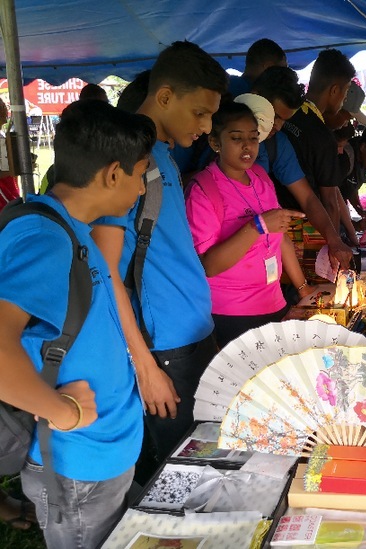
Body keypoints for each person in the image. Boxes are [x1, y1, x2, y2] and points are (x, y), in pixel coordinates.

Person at [0, 99, 154, 548]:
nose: (142, 188)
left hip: (100, 456)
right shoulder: (44, 238)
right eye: (140, 173)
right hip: (76, 467)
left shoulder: (73, 229)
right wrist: (65, 413)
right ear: (113, 174)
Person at [91, 41, 229, 472]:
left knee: (209, 458)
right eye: (200, 113)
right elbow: (105, 271)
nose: (207, 126)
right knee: (184, 474)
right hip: (164, 347)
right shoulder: (126, 162)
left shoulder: (164, 157)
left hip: (193, 334)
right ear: (165, 96)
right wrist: (145, 366)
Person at [185, 99, 307, 347]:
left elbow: (280, 238)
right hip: (232, 315)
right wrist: (256, 227)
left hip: (274, 303)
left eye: (253, 137)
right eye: (236, 138)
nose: (247, 146)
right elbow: (209, 265)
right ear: (215, 143)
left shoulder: (260, 176)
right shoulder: (203, 190)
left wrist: (303, 289)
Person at [251, 65, 353, 269]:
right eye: (275, 116)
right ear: (255, 96)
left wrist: (334, 239)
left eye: (284, 120)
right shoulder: (222, 136)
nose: (277, 126)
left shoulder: (277, 144)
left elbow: (307, 198)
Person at [282, 48, 359, 246]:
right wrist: (333, 246)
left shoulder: (288, 114)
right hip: (307, 230)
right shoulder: (322, 136)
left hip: (279, 224)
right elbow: (330, 202)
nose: (343, 100)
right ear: (334, 90)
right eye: (345, 92)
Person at [0, 97, 20, 211]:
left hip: (10, 192)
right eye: (1, 107)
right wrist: (15, 169)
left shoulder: (3, 135)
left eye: (4, 107)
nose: (5, 110)